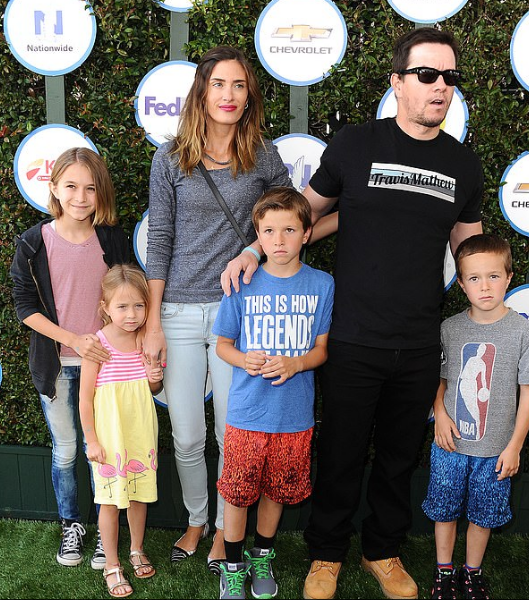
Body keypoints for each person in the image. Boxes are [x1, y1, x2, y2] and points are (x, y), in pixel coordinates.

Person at [222, 28, 484, 600]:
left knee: (396, 459)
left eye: (449, 77)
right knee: (339, 453)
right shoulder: (354, 145)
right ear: (397, 82)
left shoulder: (463, 165)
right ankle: (325, 555)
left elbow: (471, 254)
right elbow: (299, 217)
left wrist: (490, 322)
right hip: (351, 337)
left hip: (419, 340)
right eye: (427, 75)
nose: (441, 87)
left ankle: (383, 551)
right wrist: (250, 248)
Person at [143, 45, 292, 571]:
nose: (229, 96)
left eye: (239, 85)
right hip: (179, 313)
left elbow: (291, 220)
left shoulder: (264, 155)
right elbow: (159, 237)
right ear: (201, 93)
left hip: (240, 312)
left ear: (249, 94)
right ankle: (195, 519)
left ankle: (226, 537)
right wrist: (153, 322)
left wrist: (253, 248)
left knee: (234, 433)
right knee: (186, 434)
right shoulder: (170, 158)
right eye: (219, 85)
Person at [10, 147, 130, 569]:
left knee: (104, 448)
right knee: (65, 450)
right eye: (71, 186)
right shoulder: (32, 242)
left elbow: (129, 297)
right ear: (55, 188)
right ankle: (71, 526)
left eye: (90, 188)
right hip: (57, 365)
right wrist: (73, 340)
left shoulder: (112, 239)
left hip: (107, 365)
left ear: (101, 193)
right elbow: (25, 307)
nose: (81, 196)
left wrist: (101, 343)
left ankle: (105, 530)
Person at [213, 187, 334, 599]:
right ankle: (233, 566)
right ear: (257, 236)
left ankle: (262, 556)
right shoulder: (242, 283)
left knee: (276, 491)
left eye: (288, 230)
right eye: (268, 231)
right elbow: (223, 344)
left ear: (307, 232)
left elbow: (321, 349)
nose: (278, 241)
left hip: (294, 415)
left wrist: (296, 363)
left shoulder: (323, 284)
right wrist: (243, 358)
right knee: (237, 491)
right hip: (246, 413)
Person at [423, 234, 529, 600]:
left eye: (493, 276)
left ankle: (472, 572)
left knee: (483, 515)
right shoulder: (449, 328)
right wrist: (440, 415)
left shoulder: (523, 331)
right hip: (450, 445)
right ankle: (444, 570)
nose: (485, 286)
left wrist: (514, 447)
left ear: (509, 277)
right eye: (474, 278)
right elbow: (439, 380)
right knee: (444, 510)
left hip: (496, 452)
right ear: (461, 283)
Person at [79, 264, 162, 598]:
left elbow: (154, 390)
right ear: (106, 307)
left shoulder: (146, 339)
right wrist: (92, 440)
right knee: (111, 503)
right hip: (109, 439)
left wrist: (155, 376)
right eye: (122, 307)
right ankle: (112, 563)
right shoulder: (97, 346)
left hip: (141, 433)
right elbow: (86, 399)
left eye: (139, 306)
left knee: (139, 496)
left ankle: (137, 548)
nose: (132, 314)